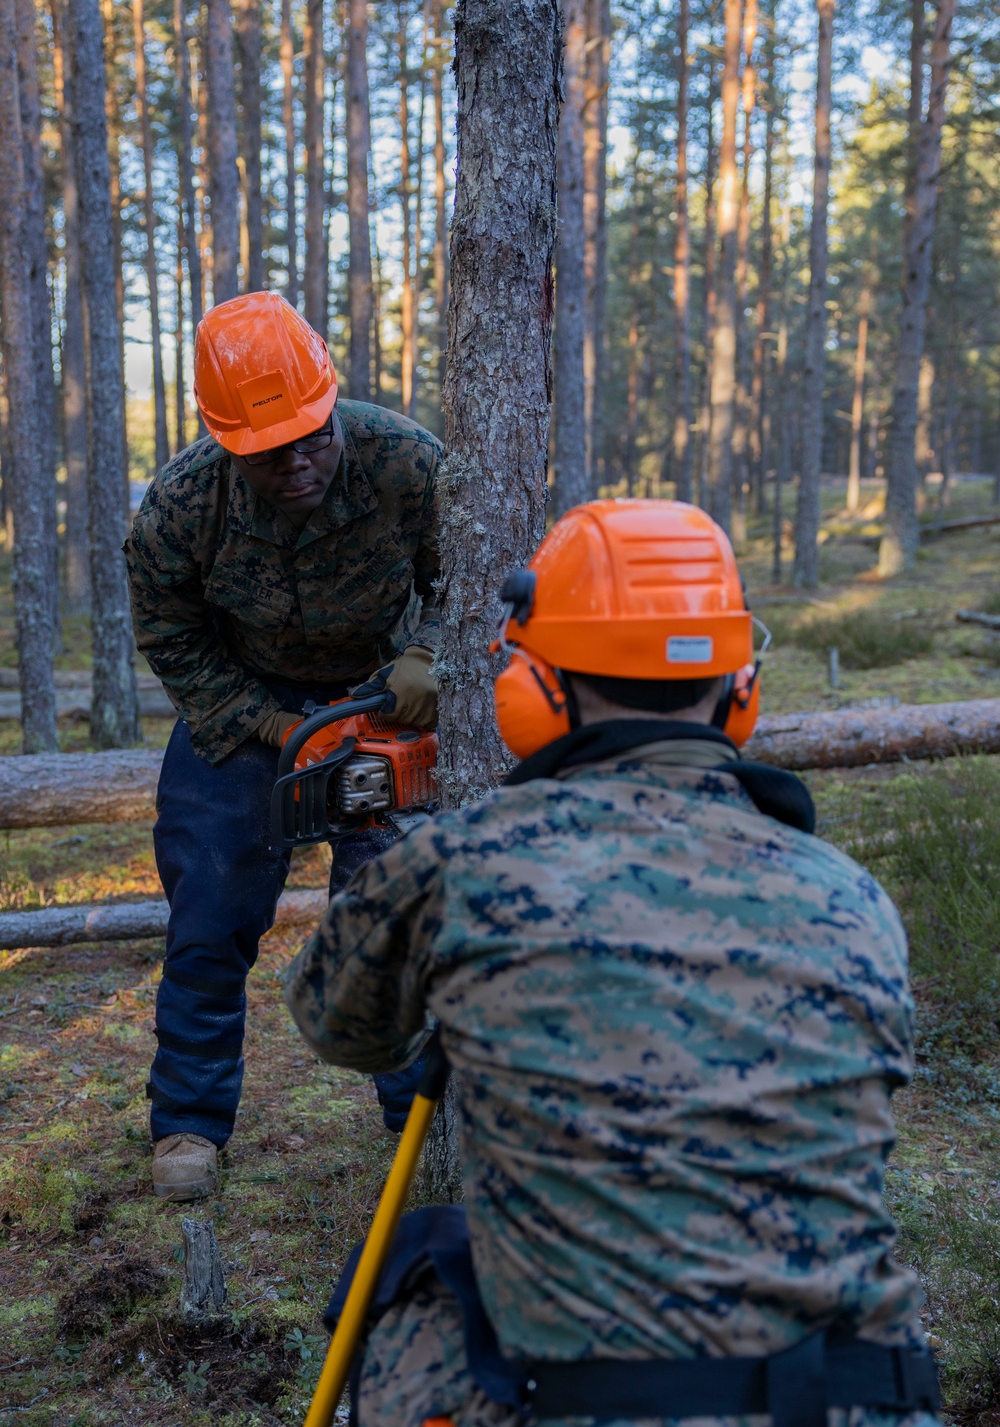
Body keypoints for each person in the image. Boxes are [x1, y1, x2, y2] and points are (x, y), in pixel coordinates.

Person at [285, 499, 940, 1427]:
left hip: (596, 1404)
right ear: (738, 687)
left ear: (536, 692)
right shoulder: (853, 898)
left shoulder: (459, 866)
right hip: (852, 1401)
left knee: (412, 1282)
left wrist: (377, 874)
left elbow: (335, 1027)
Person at [125, 291, 441, 1201]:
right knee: (211, 907)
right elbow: (170, 634)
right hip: (247, 707)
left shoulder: (406, 462)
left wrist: (433, 654)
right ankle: (187, 1120)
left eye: (312, 438)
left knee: (398, 905)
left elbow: (482, 570)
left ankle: (418, 1114)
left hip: (385, 697)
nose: (297, 461)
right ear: (227, 441)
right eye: (269, 454)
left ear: (332, 403)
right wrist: (273, 728)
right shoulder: (182, 506)